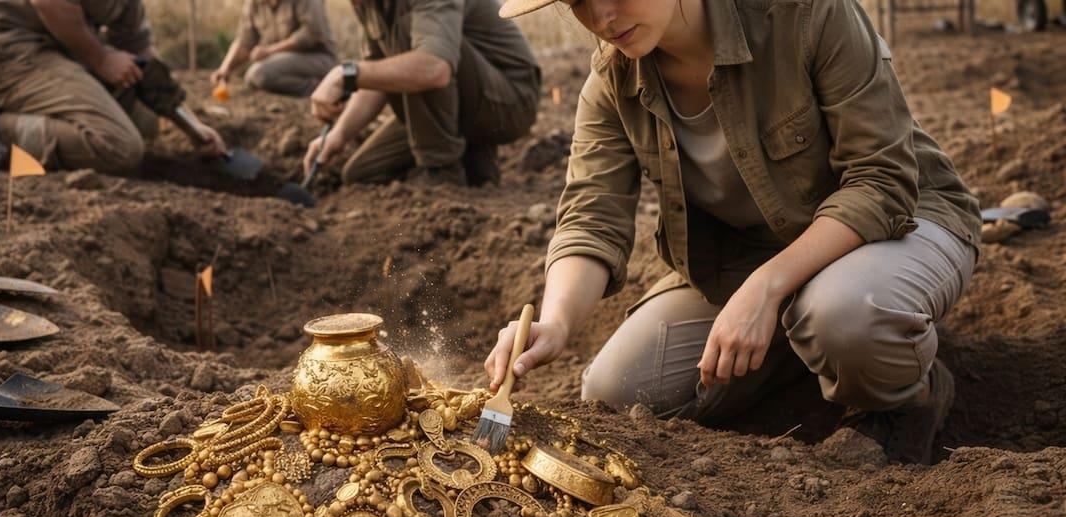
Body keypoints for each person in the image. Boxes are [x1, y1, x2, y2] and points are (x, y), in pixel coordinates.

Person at [485, 0, 982, 464]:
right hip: (745, 260)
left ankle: (904, 398)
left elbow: (882, 181)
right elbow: (592, 215)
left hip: (898, 227)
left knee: (845, 315)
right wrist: (555, 322)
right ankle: (811, 353)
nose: (601, 16)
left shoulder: (804, 14)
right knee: (615, 391)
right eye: (576, 1)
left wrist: (767, 289)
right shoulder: (612, 83)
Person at [0, 0, 225, 173]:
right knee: (118, 146)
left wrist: (191, 125)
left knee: (146, 121)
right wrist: (101, 59)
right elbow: (49, 2)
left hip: (48, 52)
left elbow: (144, 60)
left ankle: (29, 115)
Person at [301, 0, 542, 187]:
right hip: (461, 98)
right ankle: (473, 164)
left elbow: (433, 69)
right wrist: (340, 134)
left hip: (511, 102)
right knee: (361, 173)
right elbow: (378, 74)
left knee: (415, 42)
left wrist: (346, 74)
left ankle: (442, 174)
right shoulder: (367, 4)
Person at [210, 0, 338, 97]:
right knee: (253, 77)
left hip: (318, 58)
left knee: (258, 74)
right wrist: (225, 68)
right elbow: (244, 39)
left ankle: (326, 87)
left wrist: (270, 51)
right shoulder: (254, 3)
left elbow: (311, 34)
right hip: (280, 61)